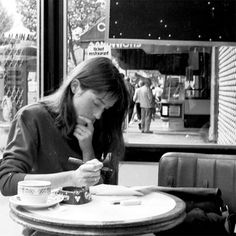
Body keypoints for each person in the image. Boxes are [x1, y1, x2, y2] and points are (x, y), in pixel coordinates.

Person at [0, 57, 129, 196]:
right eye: (97, 103)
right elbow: (7, 182)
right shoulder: (32, 117)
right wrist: (71, 178)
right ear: (75, 86)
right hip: (40, 213)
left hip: (80, 214)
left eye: (105, 108)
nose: (98, 115)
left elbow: (97, 190)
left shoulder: (97, 126)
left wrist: (87, 150)